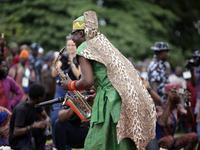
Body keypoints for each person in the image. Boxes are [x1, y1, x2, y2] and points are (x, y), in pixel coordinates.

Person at [61, 11, 156, 150]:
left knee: (95, 145)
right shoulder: (104, 44)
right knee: (121, 144)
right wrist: (96, 95)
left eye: (73, 34)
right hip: (127, 98)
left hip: (112, 101)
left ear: (81, 33)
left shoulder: (84, 47)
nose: (72, 39)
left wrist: (69, 85)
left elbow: (87, 81)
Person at [51, 36, 81, 149]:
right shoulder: (62, 58)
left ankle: (67, 145)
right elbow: (53, 74)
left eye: (73, 45)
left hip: (72, 91)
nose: (70, 47)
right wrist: (58, 63)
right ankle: (56, 145)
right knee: (54, 118)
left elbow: (79, 75)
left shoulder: (79, 58)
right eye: (68, 45)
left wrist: (72, 63)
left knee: (67, 119)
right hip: (60, 90)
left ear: (76, 46)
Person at [156, 83, 198, 150]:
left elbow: (190, 120)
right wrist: (169, 101)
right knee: (170, 139)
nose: (180, 95)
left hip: (172, 141)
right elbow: (162, 122)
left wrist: (187, 104)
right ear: (171, 94)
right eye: (178, 93)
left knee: (194, 136)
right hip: (159, 143)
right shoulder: (160, 107)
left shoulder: (177, 107)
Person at [9, 83, 51, 150]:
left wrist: (47, 122)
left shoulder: (36, 104)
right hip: (18, 140)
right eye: (43, 96)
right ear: (39, 98)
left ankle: (41, 148)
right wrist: (34, 126)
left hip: (28, 134)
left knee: (44, 128)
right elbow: (16, 132)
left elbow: (46, 117)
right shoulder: (22, 110)